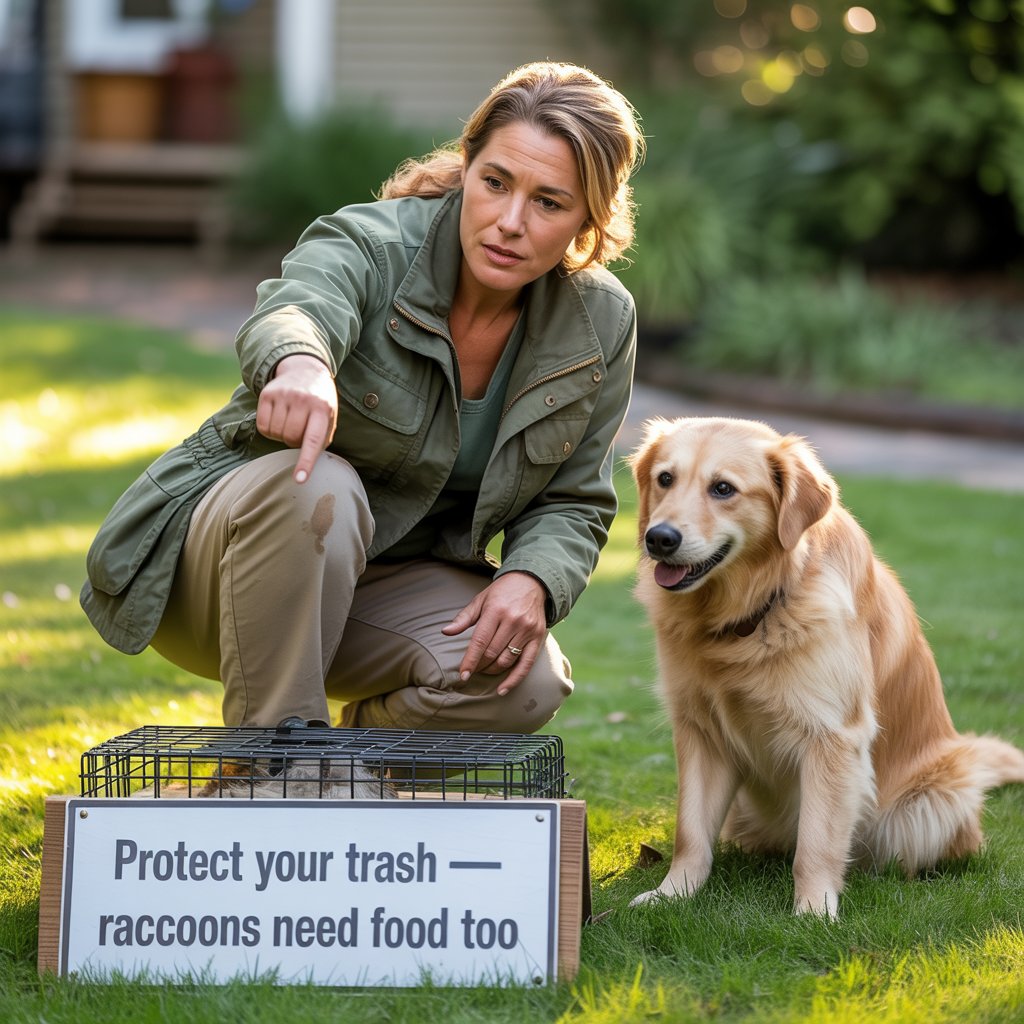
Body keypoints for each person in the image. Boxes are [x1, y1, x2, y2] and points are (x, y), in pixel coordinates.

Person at [81, 61, 644, 735]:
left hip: (377, 596)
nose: (509, 222)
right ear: (468, 165)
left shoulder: (600, 322)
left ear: (590, 216)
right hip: (214, 576)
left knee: (524, 684)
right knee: (319, 484)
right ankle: (271, 767)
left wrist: (534, 579)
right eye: (495, 183)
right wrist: (300, 363)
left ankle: (341, 770)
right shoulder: (372, 243)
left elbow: (572, 498)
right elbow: (299, 304)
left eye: (549, 202)